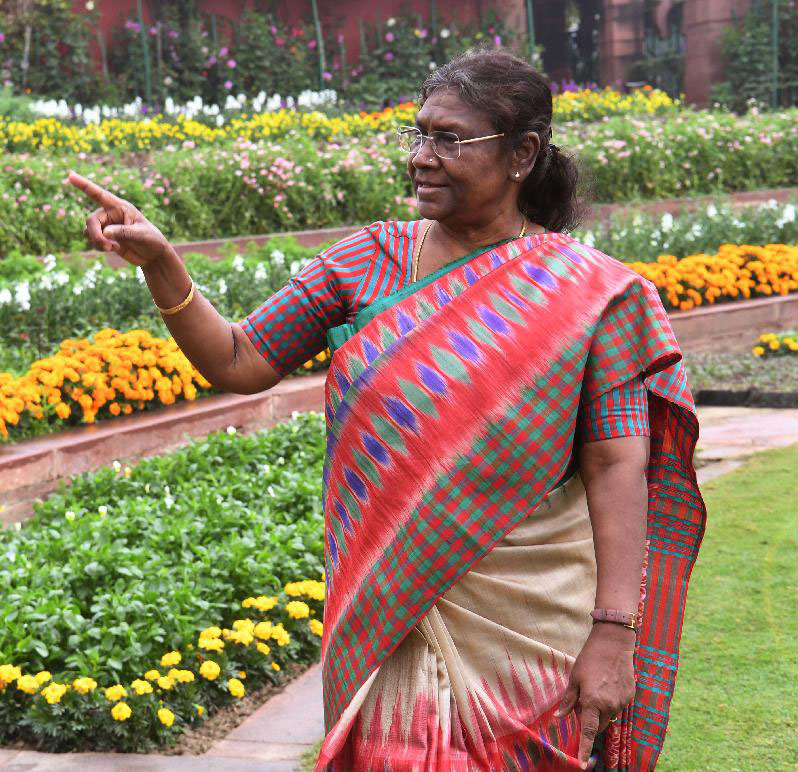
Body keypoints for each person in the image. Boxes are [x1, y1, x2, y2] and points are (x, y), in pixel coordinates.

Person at [66, 49, 704, 771]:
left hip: (529, 629)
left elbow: (616, 460)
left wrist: (614, 632)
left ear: (523, 153)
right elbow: (239, 361)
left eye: (450, 139)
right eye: (418, 135)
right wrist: (161, 263)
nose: (423, 158)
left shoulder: (591, 296)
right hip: (388, 619)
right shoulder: (366, 261)